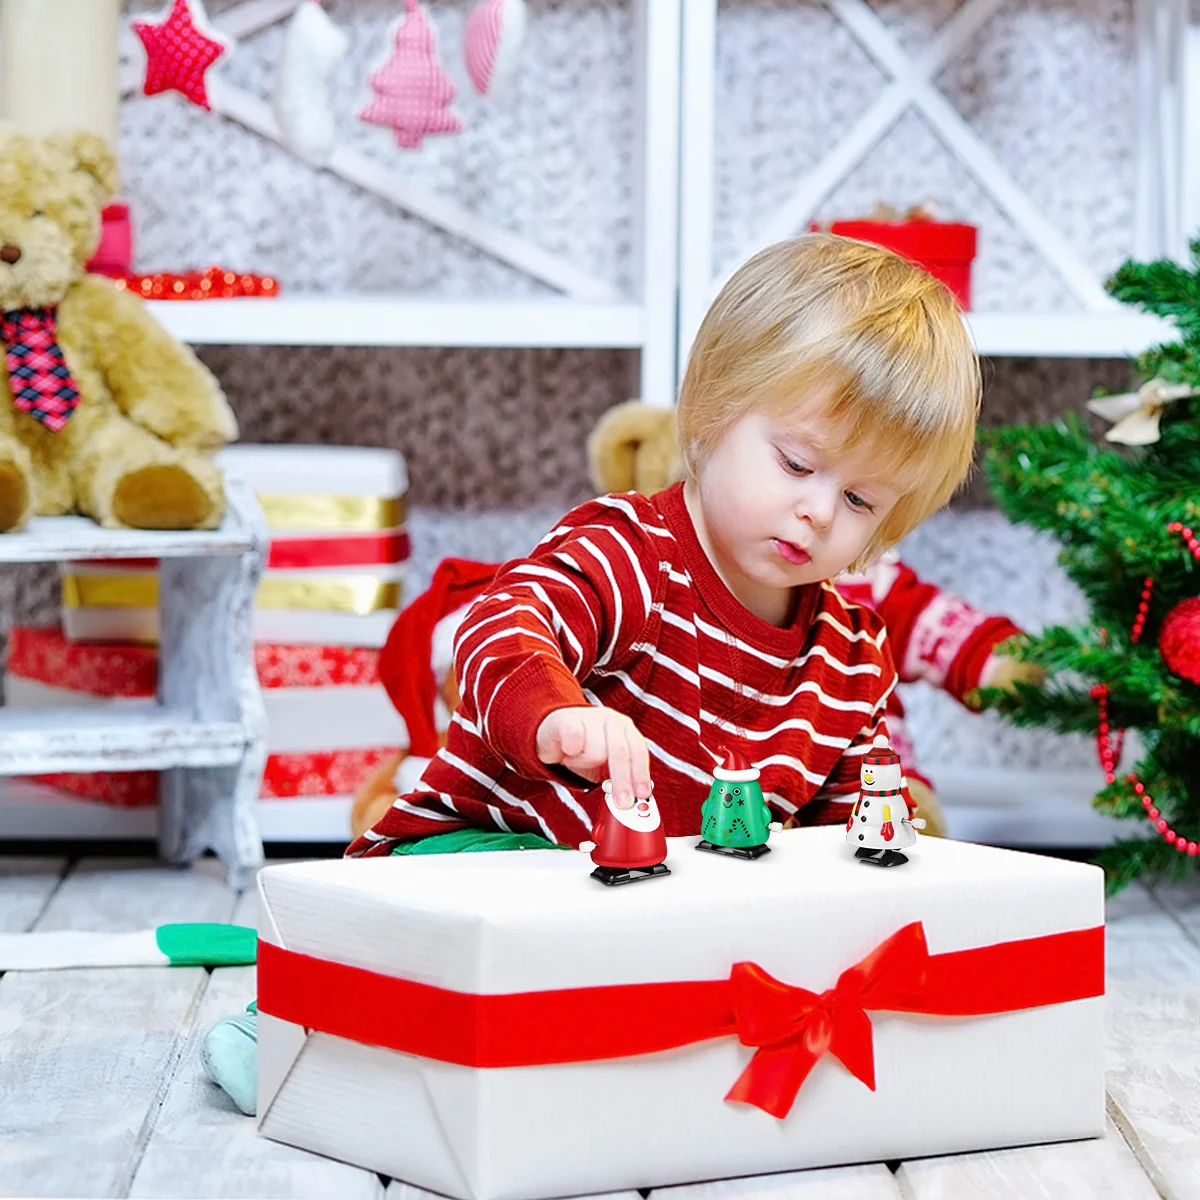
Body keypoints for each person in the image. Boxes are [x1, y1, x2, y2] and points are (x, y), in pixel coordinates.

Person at [202, 233, 980, 1113]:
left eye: (860, 501)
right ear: (714, 412)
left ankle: (576, 1063)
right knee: (504, 928)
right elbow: (502, 625)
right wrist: (554, 715)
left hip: (652, 912)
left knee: (714, 977)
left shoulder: (849, 653)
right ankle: (297, 1025)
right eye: (798, 463)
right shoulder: (629, 551)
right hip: (495, 852)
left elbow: (841, 842)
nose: (816, 509)